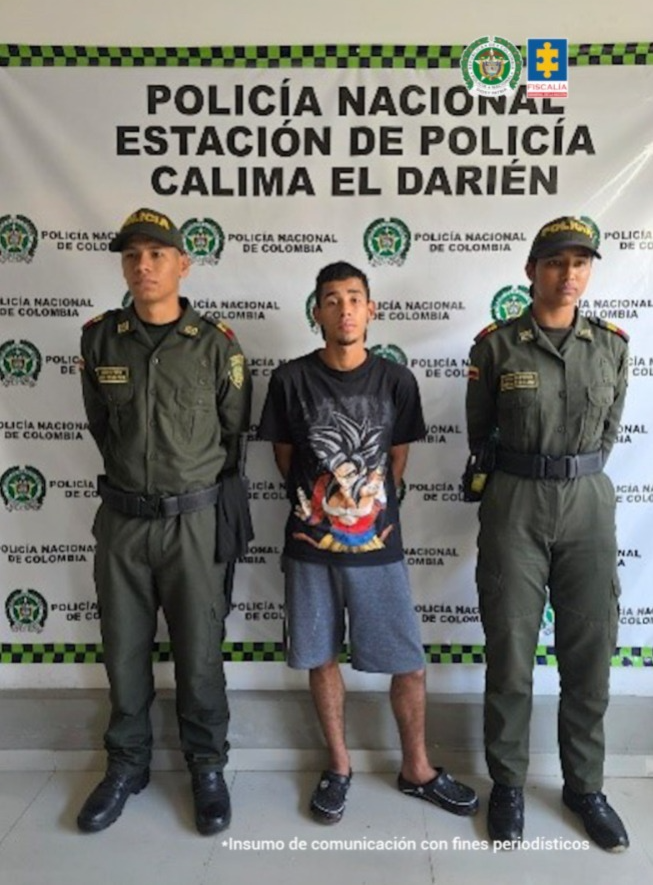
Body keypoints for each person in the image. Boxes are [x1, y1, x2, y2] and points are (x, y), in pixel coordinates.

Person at [258, 260, 479, 824]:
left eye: (355, 297)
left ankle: (417, 769)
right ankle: (338, 766)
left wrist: (365, 507)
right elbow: (284, 458)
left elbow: (397, 461)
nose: (345, 309)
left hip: (378, 547)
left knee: (408, 661)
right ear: (317, 313)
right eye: (331, 299)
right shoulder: (289, 380)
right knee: (320, 656)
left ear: (371, 309)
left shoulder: (396, 381)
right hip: (310, 548)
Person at [77, 208, 251, 835]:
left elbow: (233, 438)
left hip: (193, 524)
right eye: (132, 256)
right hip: (123, 522)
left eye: (156, 254)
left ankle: (207, 767)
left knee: (200, 653)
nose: (143, 266)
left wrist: (186, 489)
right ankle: (126, 765)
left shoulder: (217, 345)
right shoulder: (99, 339)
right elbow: (102, 425)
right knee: (123, 652)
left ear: (184, 263)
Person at [464, 216, 629, 851]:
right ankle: (507, 783)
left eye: (580, 263)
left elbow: (610, 429)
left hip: (588, 501)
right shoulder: (495, 347)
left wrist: (573, 470)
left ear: (589, 272)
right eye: (556, 263)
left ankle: (584, 786)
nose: (569, 275)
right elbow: (481, 433)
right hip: (515, 501)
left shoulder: (612, 345)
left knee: (588, 653)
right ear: (531, 271)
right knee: (509, 650)